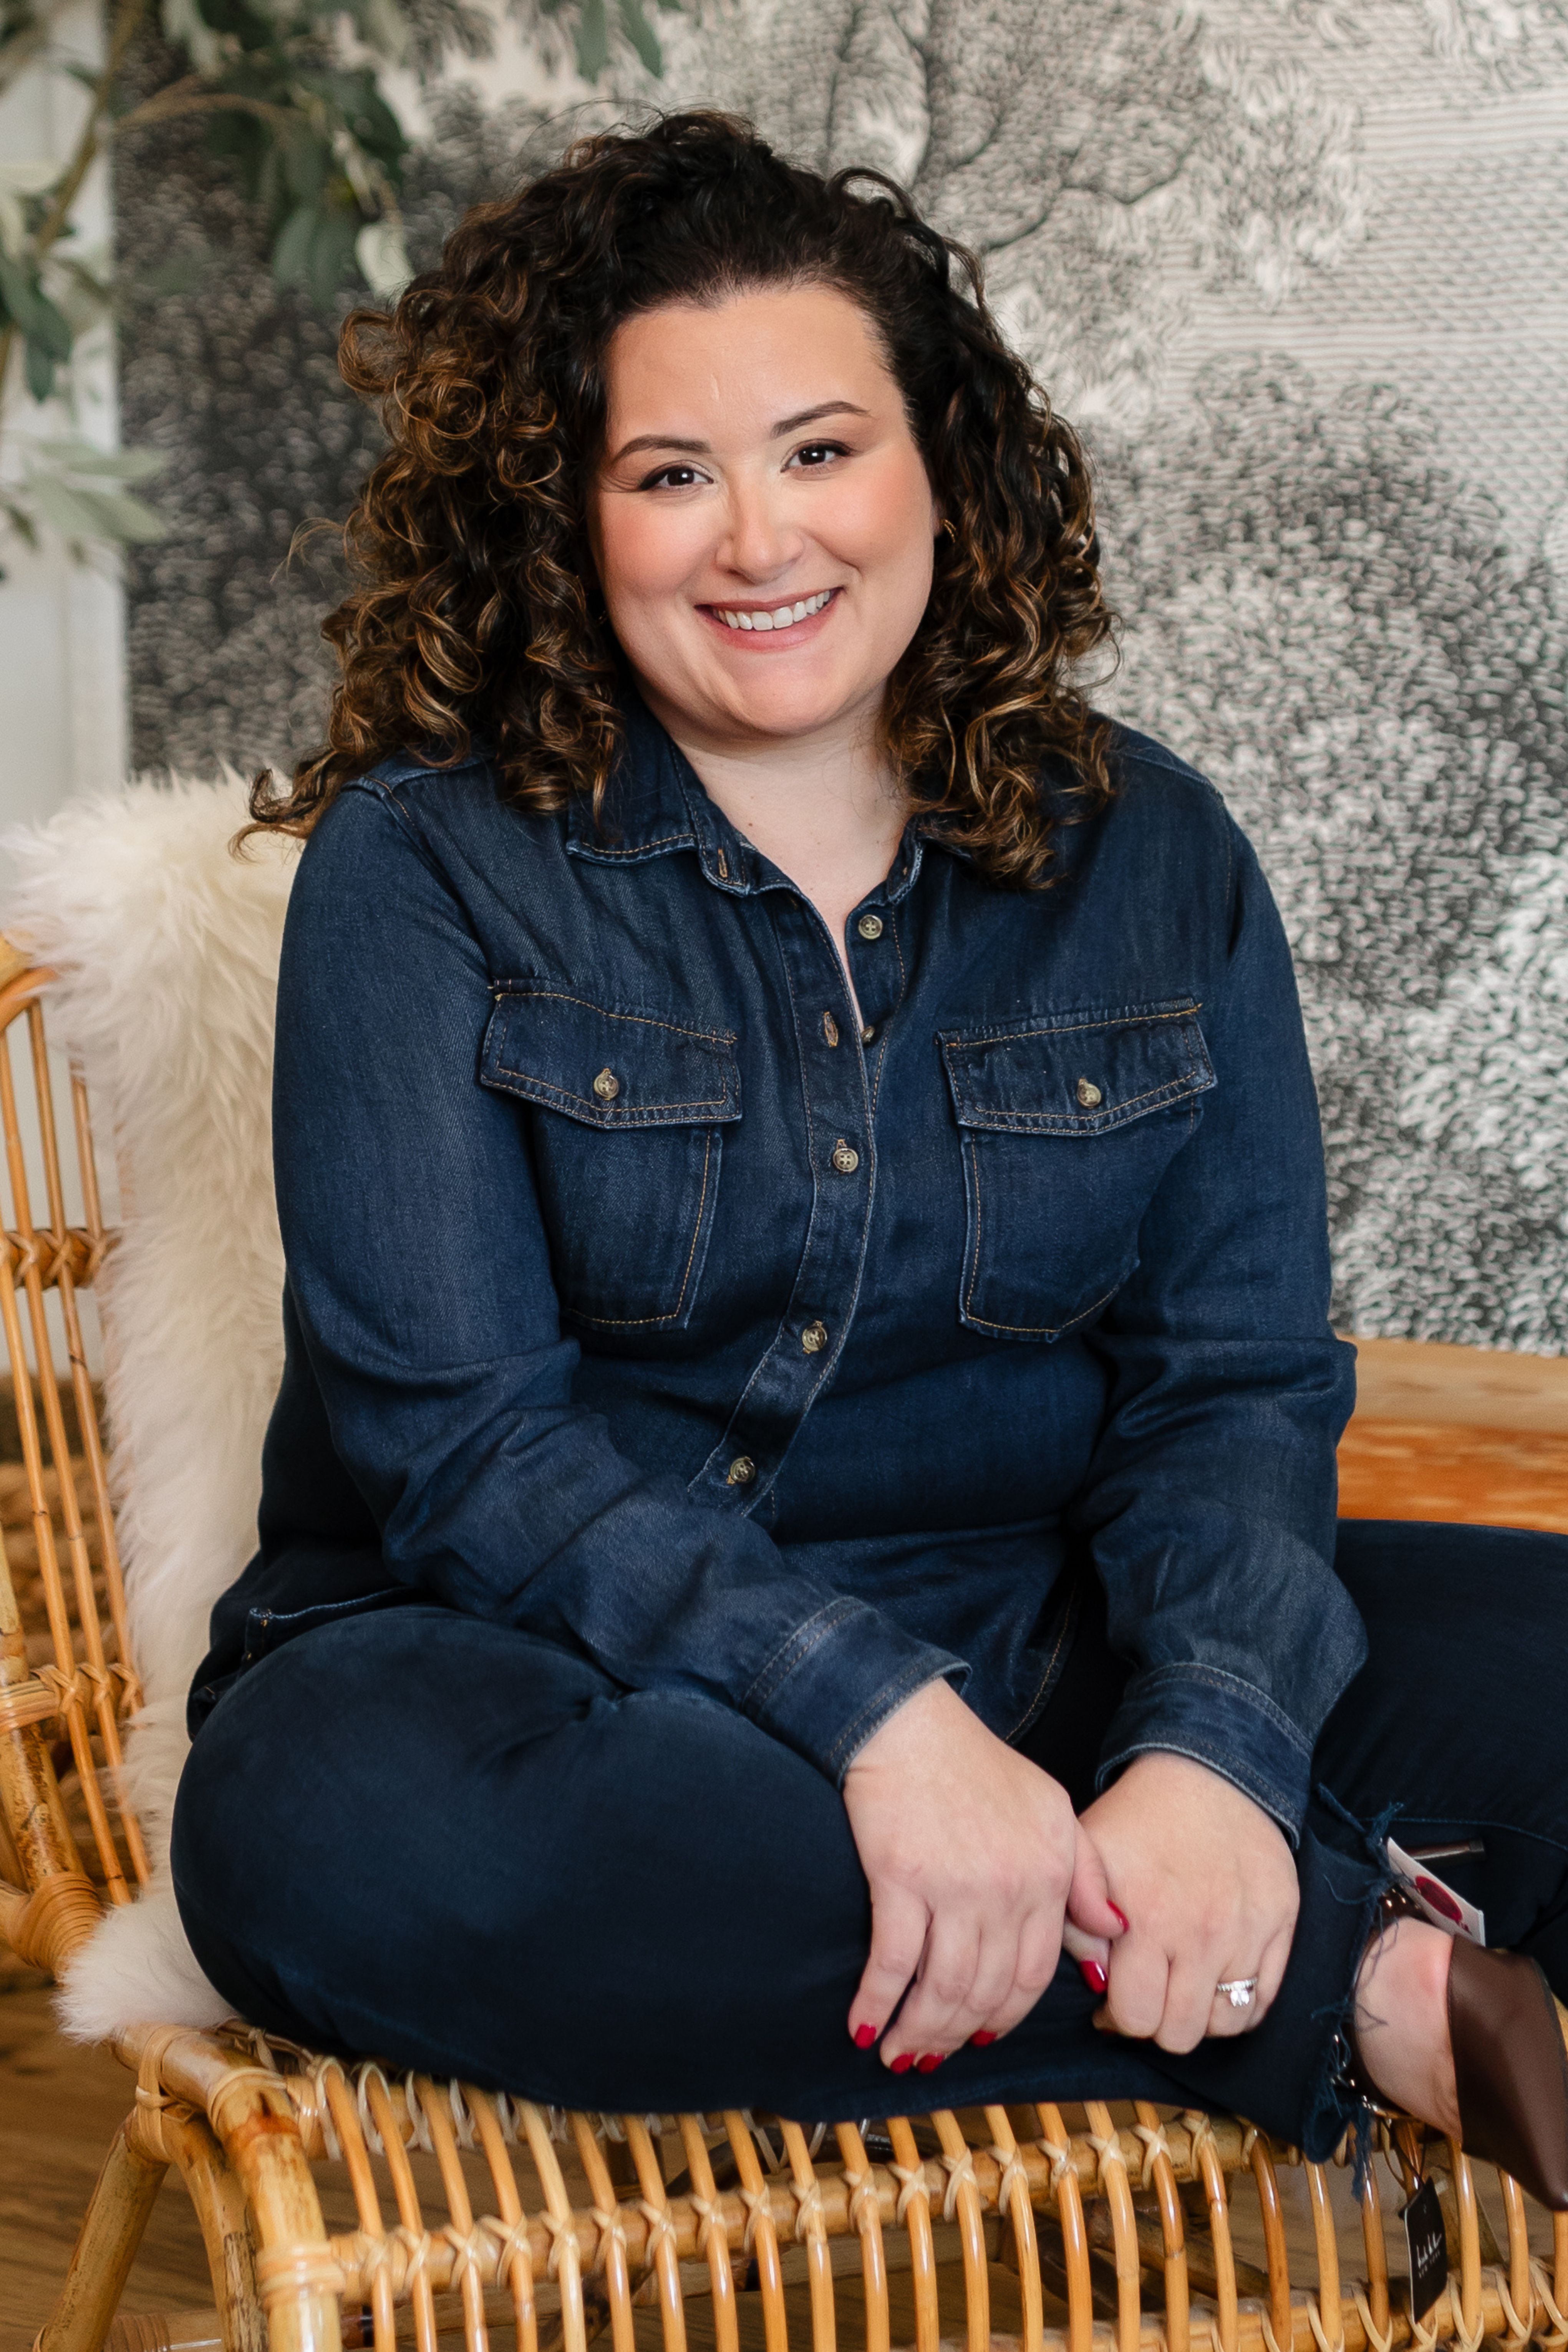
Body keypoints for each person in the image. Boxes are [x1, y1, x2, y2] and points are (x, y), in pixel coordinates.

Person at [172, 110, 1568, 2197]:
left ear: (941, 468)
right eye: (670, 474)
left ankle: (1150, 1877)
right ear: (564, 519)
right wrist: (884, 1729)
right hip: (532, 1676)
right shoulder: (424, 866)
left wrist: (1208, 1746)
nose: (760, 540)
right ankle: (1347, 1993)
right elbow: (466, 1455)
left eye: (820, 450)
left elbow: (1233, 1390)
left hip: (1050, 1641)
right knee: (334, 1827)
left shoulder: (1152, 851)